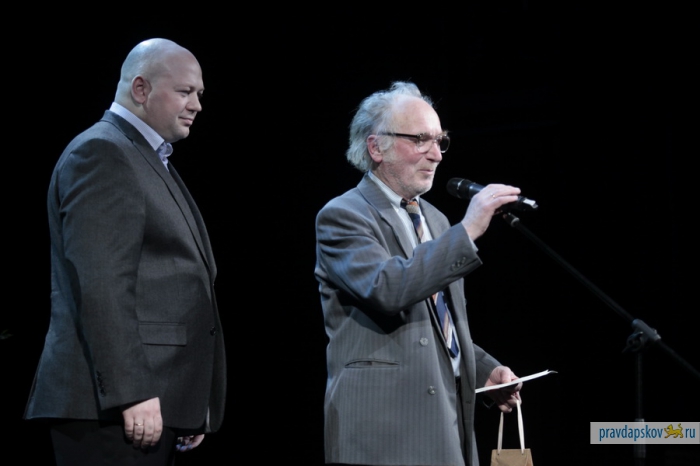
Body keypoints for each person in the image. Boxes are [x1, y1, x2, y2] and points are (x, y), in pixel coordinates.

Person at [24, 38, 226, 465]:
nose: (196, 105)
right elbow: (102, 284)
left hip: (151, 403)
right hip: (111, 409)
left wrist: (188, 400)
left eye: (199, 94)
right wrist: (131, 392)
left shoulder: (143, 156)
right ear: (141, 89)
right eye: (185, 91)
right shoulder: (103, 152)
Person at [315, 81, 523, 466]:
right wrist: (468, 230)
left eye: (440, 141)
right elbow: (388, 288)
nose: (437, 154)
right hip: (381, 430)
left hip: (445, 422)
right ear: (376, 147)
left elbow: (440, 321)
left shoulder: (436, 220)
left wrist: (482, 369)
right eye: (421, 139)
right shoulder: (343, 215)